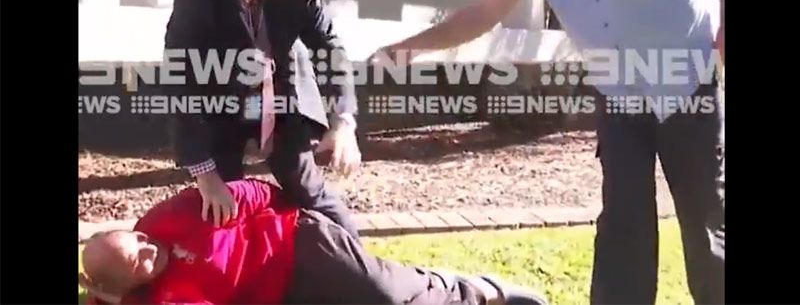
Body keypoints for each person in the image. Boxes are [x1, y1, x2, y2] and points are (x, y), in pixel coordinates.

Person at [371, 0, 725, 304]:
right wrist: (408, 49)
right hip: (618, 92)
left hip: (686, 82)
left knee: (705, 222)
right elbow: (485, 12)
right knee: (623, 225)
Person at [163, 0, 361, 238]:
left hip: (282, 97)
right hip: (223, 108)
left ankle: (357, 257)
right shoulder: (195, 0)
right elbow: (178, 82)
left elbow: (328, 47)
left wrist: (343, 121)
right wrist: (205, 174)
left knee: (308, 192)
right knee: (222, 205)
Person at [79, 179, 548, 305]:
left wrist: (288, 207)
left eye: (139, 239)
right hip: (283, 294)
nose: (150, 247)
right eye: (139, 260)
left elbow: (251, 191)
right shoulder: (165, 298)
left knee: (384, 295)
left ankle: (477, 292)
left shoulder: (165, 218)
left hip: (298, 243)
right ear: (130, 284)